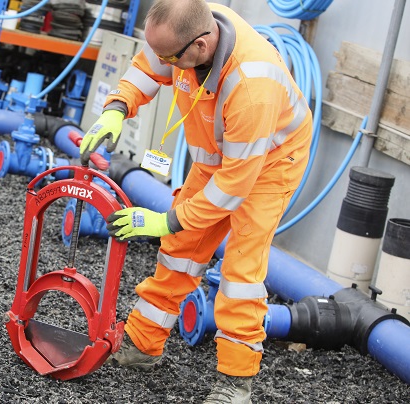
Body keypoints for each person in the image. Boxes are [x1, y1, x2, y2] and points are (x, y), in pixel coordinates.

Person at [79, 0, 312, 402]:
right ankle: (142, 345)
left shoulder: (252, 86)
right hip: (221, 155)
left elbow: (232, 189)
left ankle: (235, 383)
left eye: (171, 58)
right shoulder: (185, 28)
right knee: (181, 251)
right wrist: (117, 108)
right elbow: (147, 67)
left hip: (269, 162)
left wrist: (164, 220)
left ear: (201, 47)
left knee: (240, 271)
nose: (165, 64)